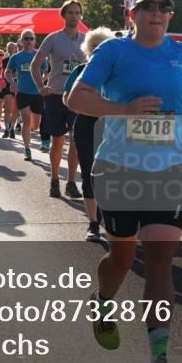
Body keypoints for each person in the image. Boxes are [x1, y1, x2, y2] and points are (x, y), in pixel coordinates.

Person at [68, 0, 182, 363]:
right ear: (132, 15)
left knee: (160, 260)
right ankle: (103, 301)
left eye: (163, 7)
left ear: (170, 15)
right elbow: (75, 98)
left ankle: (160, 359)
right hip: (119, 168)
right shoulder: (113, 52)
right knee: (121, 258)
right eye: (147, 7)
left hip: (167, 170)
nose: (156, 13)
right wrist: (123, 110)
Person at [64, 26, 116, 241]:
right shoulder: (80, 71)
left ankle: (108, 216)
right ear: (87, 49)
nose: (97, 50)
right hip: (85, 126)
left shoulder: (116, 73)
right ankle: (93, 223)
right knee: (88, 173)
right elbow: (66, 97)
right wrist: (81, 104)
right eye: (93, 46)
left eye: (101, 46)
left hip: (111, 128)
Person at [32, 0, 86, 199]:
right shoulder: (53, 38)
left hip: (77, 97)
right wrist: (41, 87)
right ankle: (55, 179)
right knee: (57, 141)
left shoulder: (86, 39)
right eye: (70, 12)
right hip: (55, 96)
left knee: (76, 140)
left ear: (81, 16)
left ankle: (71, 182)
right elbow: (35, 65)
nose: (74, 16)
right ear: (63, 15)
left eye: (77, 12)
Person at [6, 30, 47, 162]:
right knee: (26, 120)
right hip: (22, 93)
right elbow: (7, 73)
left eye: (31, 38)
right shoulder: (16, 57)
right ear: (22, 41)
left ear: (34, 40)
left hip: (37, 93)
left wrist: (42, 82)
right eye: (26, 38)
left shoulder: (39, 56)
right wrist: (13, 83)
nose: (28, 41)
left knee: (35, 125)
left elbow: (47, 72)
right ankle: (27, 148)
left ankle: (29, 133)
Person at [3, 41, 19, 138]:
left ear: (16, 49)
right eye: (9, 48)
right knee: (8, 109)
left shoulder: (19, 58)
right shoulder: (5, 60)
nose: (10, 49)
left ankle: (12, 128)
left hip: (18, 85)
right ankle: (6, 129)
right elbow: (3, 74)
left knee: (15, 109)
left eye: (12, 47)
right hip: (8, 85)